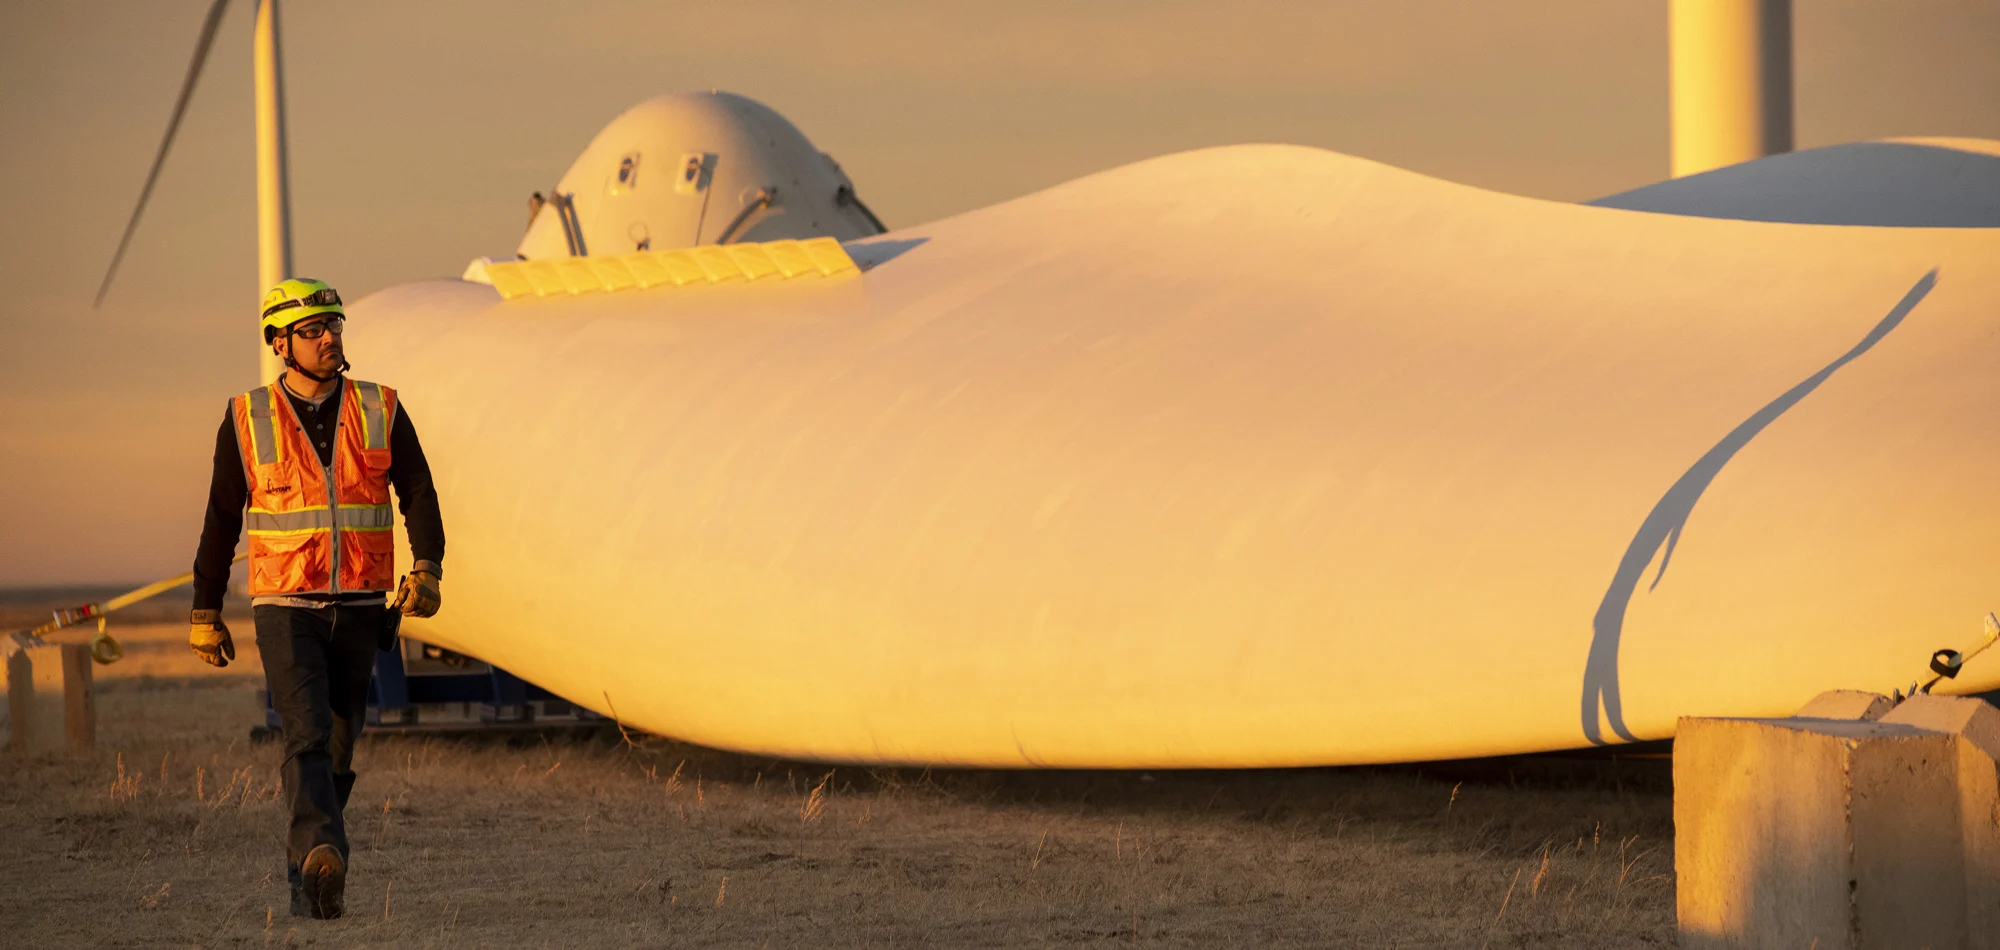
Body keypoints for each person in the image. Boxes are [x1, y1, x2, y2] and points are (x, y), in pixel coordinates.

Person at [186, 278, 445, 919]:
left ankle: (310, 884)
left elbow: (418, 491)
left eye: (334, 326)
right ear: (280, 343)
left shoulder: (381, 406)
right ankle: (325, 848)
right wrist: (204, 610)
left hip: (361, 604)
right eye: (312, 330)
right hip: (285, 605)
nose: (329, 338)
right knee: (303, 734)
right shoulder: (246, 416)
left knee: (337, 743)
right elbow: (221, 517)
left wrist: (429, 568)